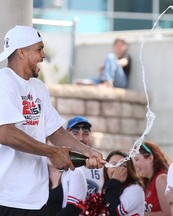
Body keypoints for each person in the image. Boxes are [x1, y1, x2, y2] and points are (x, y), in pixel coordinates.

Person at [0, 25, 105, 215]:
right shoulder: (3, 82)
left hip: (36, 199)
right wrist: (52, 152)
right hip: (6, 197)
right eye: (38, 49)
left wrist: (87, 151)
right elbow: (5, 133)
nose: (42, 55)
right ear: (22, 52)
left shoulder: (39, 87)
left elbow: (56, 132)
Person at [66, 116, 104, 197]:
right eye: (75, 133)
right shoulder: (57, 165)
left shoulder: (101, 166)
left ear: (91, 136)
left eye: (86, 133)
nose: (81, 139)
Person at [133, 141, 171, 216]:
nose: (134, 165)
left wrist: (138, 214)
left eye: (137, 159)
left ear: (150, 158)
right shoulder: (147, 182)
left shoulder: (161, 178)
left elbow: (168, 214)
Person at [102, 150, 145, 215]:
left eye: (123, 166)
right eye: (113, 164)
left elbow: (115, 212)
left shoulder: (135, 188)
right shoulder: (104, 186)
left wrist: (115, 181)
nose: (117, 169)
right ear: (106, 169)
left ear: (129, 171)